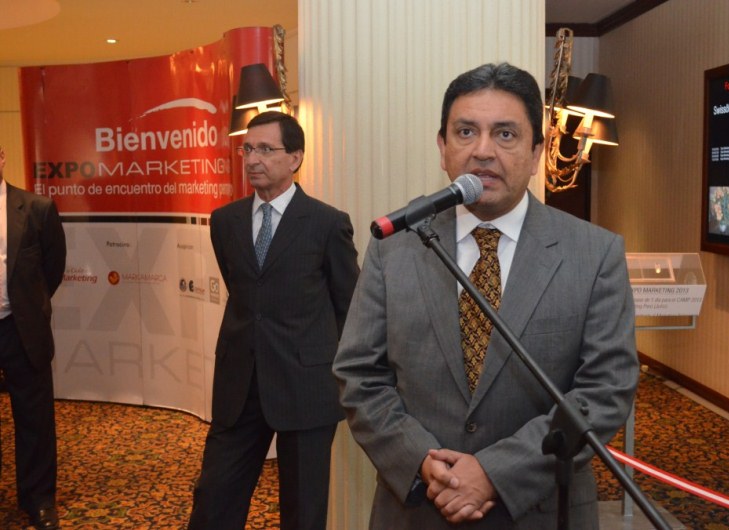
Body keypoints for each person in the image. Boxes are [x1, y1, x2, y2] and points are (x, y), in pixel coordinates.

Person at [333, 63, 639, 529]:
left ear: (536, 152)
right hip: (418, 507)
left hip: (541, 510)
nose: (482, 151)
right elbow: (359, 375)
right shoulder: (395, 246)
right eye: (465, 132)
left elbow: (605, 389)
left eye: (505, 134)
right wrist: (420, 459)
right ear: (442, 148)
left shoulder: (594, 253)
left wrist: (495, 473)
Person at [188, 111, 359, 530]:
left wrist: (331, 369)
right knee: (213, 499)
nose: (252, 159)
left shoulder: (327, 223)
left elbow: (350, 307)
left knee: (302, 513)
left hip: (306, 389)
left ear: (295, 157)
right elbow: (245, 292)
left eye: (266, 149)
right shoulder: (224, 221)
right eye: (247, 149)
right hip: (239, 387)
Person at [0, 144, 67, 530]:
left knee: (34, 419)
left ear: (2, 157)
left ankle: (38, 498)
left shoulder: (37, 209)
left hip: (21, 327)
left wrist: (30, 306)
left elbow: (51, 270)